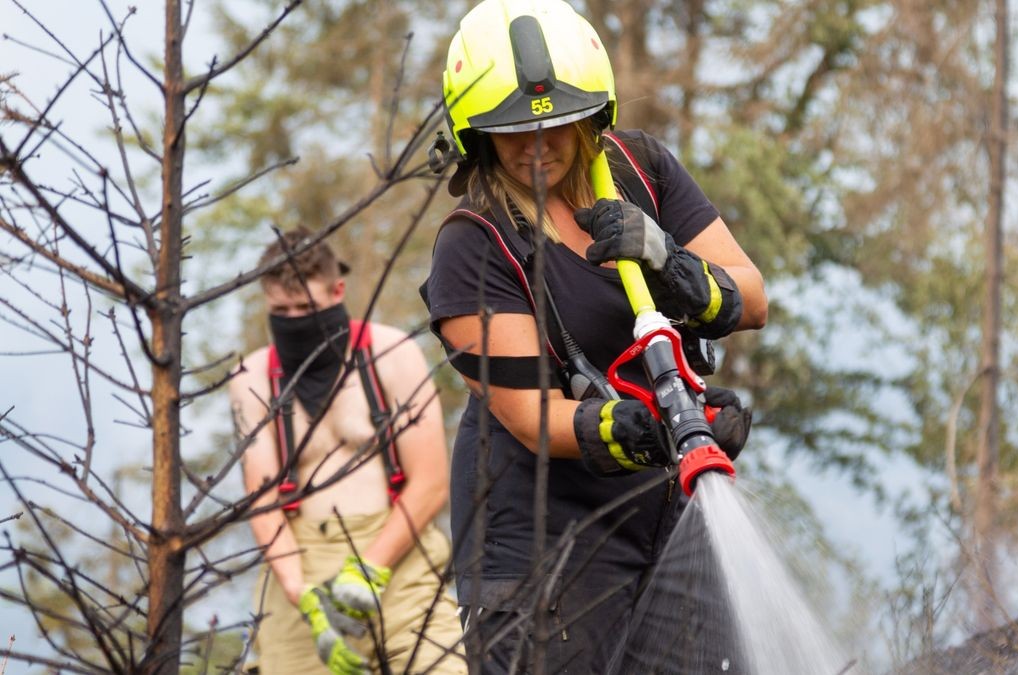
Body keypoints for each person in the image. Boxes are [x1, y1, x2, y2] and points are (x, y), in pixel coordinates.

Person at [422, 0, 768, 672]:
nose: (538, 144)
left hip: (668, 510)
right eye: (513, 131)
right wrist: (636, 427)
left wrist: (674, 264)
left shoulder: (643, 171)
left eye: (558, 124)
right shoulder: (472, 245)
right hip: (539, 543)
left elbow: (750, 297)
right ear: (475, 134)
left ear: (593, 113)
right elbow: (530, 418)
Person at [229, 228, 466, 675]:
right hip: (301, 565)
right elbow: (262, 499)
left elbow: (431, 481)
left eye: (306, 308)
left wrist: (370, 568)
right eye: (280, 310)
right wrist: (303, 596)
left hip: (400, 559)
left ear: (337, 291)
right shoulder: (251, 378)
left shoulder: (392, 354)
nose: (294, 320)